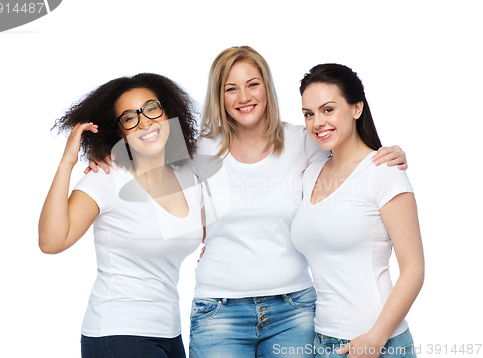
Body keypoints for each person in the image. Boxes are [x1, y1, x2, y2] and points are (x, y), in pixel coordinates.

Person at [89, 46, 408, 357]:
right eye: (231, 88)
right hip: (218, 313)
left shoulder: (303, 141)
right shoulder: (198, 148)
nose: (244, 97)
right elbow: (140, 144)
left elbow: (351, 153)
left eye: (252, 84)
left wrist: (390, 152)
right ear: (219, 96)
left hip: (293, 311)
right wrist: (99, 153)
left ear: (267, 88)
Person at [38, 73, 205, 358]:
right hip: (118, 333)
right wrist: (67, 161)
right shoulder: (107, 178)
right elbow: (52, 242)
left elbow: (207, 230)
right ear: (119, 132)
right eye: (130, 118)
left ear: (168, 112)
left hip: (169, 333)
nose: (145, 122)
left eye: (152, 109)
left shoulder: (188, 174)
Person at [291, 64, 424, 358]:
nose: (316, 122)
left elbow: (414, 269)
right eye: (308, 114)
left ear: (356, 108)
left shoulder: (384, 171)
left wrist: (375, 339)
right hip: (320, 341)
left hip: (378, 343)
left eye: (328, 109)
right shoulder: (310, 172)